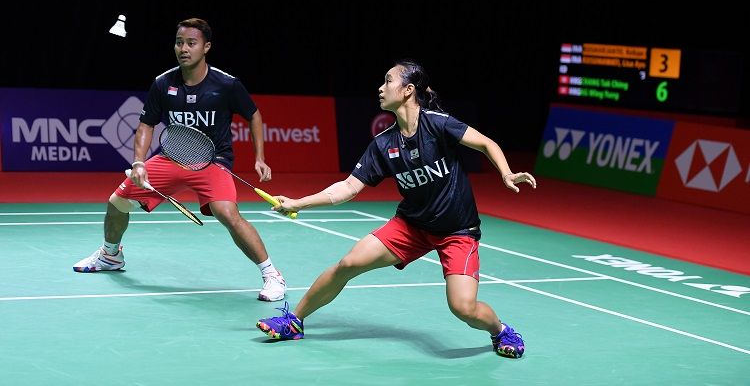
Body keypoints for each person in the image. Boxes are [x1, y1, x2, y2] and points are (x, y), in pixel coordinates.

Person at [256, 60, 536, 358]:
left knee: (463, 308)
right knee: (348, 264)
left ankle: (501, 331)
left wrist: (505, 173)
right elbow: (349, 188)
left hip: (457, 231)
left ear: (408, 90)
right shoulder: (383, 143)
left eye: (388, 81)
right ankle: (294, 321)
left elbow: (486, 144)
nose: (380, 87)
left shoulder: (437, 124)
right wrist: (298, 203)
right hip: (411, 226)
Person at [73, 18, 287, 302]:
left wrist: (260, 158)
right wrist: (138, 162)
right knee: (117, 203)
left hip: (213, 160)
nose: (183, 48)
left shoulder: (226, 84)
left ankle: (272, 275)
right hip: (171, 157)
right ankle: (111, 255)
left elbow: (254, 115)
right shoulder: (163, 83)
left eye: (191, 43)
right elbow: (146, 124)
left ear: (206, 47)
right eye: (179, 42)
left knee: (227, 214)